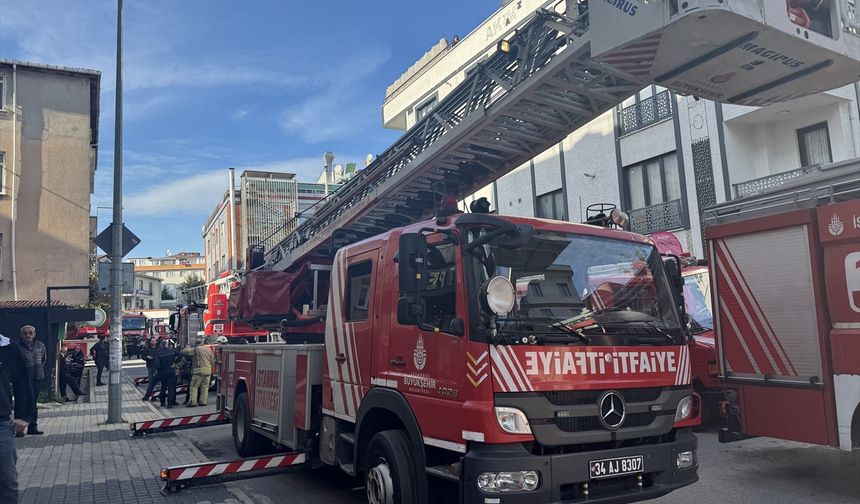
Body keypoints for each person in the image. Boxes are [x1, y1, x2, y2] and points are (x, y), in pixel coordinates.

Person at [0, 332, 34, 503]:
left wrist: (24, 415)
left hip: (1, 425)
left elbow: (22, 381)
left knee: (6, 481)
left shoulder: (6, 347)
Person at [18, 325, 46, 435]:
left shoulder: (40, 345)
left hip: (36, 379)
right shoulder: (17, 347)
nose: (28, 335)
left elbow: (43, 359)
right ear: (21, 335)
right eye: (25, 333)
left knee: (33, 404)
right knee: (22, 404)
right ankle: (19, 429)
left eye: (30, 333)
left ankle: (32, 427)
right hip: (22, 381)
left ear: (34, 334)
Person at [181, 338, 213, 407]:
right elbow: (212, 360)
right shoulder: (209, 349)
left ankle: (193, 402)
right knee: (205, 387)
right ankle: (203, 401)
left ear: (196, 344)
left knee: (194, 386)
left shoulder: (196, 349)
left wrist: (187, 347)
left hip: (199, 371)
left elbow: (184, 351)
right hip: (208, 371)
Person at [154, 342, 179, 408]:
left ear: (161, 346)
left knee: (163, 387)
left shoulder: (158, 353)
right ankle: (170, 403)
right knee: (171, 388)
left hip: (163, 372)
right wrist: (175, 362)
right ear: (167, 345)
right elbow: (181, 355)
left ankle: (162, 402)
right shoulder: (172, 351)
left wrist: (160, 370)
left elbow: (157, 365)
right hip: (171, 371)